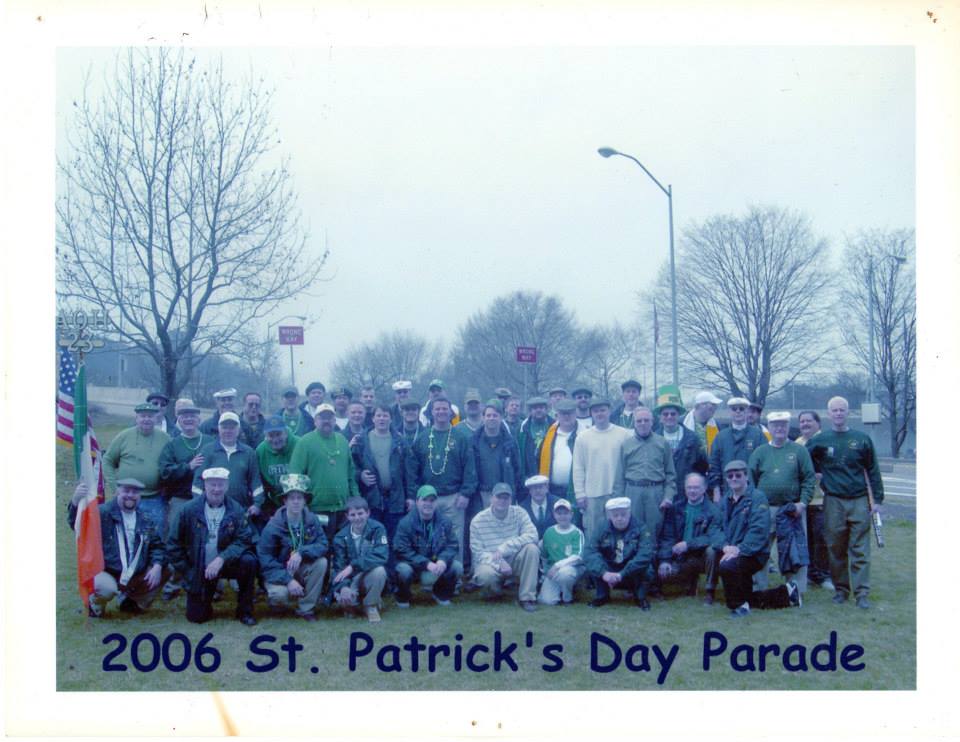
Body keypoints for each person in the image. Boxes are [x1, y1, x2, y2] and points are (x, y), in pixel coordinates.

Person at [805, 396, 884, 609]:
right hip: (833, 501)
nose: (838, 413)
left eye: (842, 410)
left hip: (859, 500)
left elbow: (873, 469)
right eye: (835, 410)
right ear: (829, 414)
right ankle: (841, 590)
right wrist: (817, 473)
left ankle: (862, 593)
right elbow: (804, 460)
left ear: (848, 412)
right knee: (835, 547)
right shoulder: (820, 440)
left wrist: (877, 499)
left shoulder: (861, 439)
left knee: (860, 549)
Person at [167, 467, 259, 626]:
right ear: (205, 485)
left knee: (249, 561)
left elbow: (244, 539)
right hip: (200, 567)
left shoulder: (236, 509)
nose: (216, 489)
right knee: (197, 617)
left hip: (227, 563)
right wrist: (188, 571)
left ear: (227, 486)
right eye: (212, 484)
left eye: (220, 484)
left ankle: (245, 610)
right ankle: (205, 599)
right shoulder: (188, 510)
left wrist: (222, 558)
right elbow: (173, 544)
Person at [67, 478, 169, 617]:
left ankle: (132, 602)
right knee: (106, 588)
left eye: (135, 492)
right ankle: (95, 606)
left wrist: (157, 565)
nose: (130, 495)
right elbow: (77, 524)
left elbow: (157, 546)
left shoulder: (145, 518)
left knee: (166, 569)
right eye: (126, 491)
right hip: (107, 571)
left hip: (133, 573)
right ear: (117, 492)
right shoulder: (102, 512)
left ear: (140, 496)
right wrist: (75, 501)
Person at [718, 460, 801, 617]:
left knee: (727, 566)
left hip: (754, 553)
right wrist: (725, 546)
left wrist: (738, 549)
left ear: (746, 477)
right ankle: (788, 593)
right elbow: (716, 527)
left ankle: (739, 606)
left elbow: (759, 531)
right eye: (730, 476)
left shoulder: (758, 498)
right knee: (746, 594)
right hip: (730, 550)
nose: (734, 478)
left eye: (738, 475)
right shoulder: (725, 500)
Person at [748, 411, 816, 592]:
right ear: (769, 427)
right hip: (765, 510)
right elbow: (751, 480)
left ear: (788, 427)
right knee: (759, 548)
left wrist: (803, 503)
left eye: (783, 424)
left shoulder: (799, 451)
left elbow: (809, 478)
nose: (779, 428)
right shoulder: (760, 452)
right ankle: (758, 589)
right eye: (775, 425)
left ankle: (795, 591)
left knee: (795, 550)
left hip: (792, 509)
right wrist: (756, 505)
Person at [405, 396, 477, 565]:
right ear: (431, 412)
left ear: (450, 412)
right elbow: (412, 471)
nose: (441, 412)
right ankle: (430, 572)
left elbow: (470, 467)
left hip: (454, 497)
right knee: (427, 536)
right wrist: (414, 496)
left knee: (455, 537)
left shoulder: (461, 437)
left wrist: (466, 493)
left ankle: (455, 572)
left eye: (444, 408)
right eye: (437, 409)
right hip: (428, 498)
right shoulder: (423, 438)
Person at [158, 403, 213, 599]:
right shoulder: (172, 445)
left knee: (208, 538)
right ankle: (174, 583)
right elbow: (164, 472)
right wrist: (187, 467)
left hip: (207, 499)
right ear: (178, 420)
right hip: (180, 498)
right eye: (184, 417)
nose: (189, 420)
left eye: (192, 416)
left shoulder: (209, 442)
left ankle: (211, 583)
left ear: (199, 419)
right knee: (176, 539)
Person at [257, 473, 329, 621]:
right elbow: (265, 560)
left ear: (305, 501)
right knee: (279, 596)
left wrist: (301, 552)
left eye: (299, 498)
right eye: (291, 498)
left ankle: (306, 608)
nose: (296, 502)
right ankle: (278, 604)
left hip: (301, 568)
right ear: (284, 501)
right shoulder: (273, 526)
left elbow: (323, 544)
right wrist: (288, 580)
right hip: (278, 571)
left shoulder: (312, 520)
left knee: (322, 563)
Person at [289, 403, 360, 542]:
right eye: (322, 417)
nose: (326, 421)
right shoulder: (305, 442)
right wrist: (299, 505)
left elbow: (350, 474)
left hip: (342, 508)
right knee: (319, 547)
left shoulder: (342, 441)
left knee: (342, 547)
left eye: (330, 417)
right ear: (315, 421)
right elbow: (295, 477)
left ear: (335, 420)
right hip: (315, 509)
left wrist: (356, 499)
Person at [468, 483, 540, 612]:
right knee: (485, 576)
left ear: (511, 499)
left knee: (532, 549)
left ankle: (527, 597)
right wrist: (499, 563)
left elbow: (533, 535)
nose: (502, 501)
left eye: (506, 498)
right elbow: (478, 553)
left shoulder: (519, 513)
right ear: (491, 498)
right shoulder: (478, 521)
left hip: (513, 558)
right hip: (489, 562)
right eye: (499, 497)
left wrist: (506, 547)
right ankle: (496, 592)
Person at [571, 398, 632, 543]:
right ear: (591, 413)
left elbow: (630, 464)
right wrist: (580, 494)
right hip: (592, 495)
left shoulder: (624, 435)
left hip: (617, 493)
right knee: (593, 534)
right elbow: (578, 467)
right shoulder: (583, 437)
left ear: (609, 411)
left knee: (619, 534)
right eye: (596, 411)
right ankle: (594, 558)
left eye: (603, 410)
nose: (600, 414)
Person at [656, 473, 723, 603]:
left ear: (704, 488)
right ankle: (688, 581)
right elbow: (668, 536)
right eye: (689, 487)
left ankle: (710, 591)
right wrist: (665, 560)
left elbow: (712, 537)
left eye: (696, 487)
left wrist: (688, 544)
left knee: (712, 551)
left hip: (701, 557)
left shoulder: (713, 511)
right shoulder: (675, 508)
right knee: (665, 574)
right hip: (680, 557)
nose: (692, 491)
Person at [393, 485, 462, 607]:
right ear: (417, 501)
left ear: (436, 502)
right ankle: (402, 597)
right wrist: (425, 563)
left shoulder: (445, 522)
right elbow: (401, 549)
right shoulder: (405, 523)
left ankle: (441, 594)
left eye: (432, 500)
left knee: (457, 567)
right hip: (413, 566)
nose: (428, 504)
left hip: (436, 564)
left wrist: (443, 560)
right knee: (403, 570)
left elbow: (452, 545)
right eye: (424, 500)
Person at [103, 402, 171, 527]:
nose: (146, 419)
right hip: (126, 496)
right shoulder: (124, 436)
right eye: (143, 416)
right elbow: (107, 460)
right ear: (136, 418)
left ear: (156, 418)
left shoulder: (165, 439)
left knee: (154, 532)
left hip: (154, 498)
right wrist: (114, 487)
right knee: (124, 530)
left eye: (150, 416)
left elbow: (172, 464)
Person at [191, 411, 265, 522]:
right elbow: (198, 482)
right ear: (219, 429)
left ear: (238, 430)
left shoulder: (249, 453)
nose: (228, 431)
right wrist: (199, 504)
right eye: (224, 427)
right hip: (212, 510)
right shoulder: (207, 450)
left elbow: (256, 482)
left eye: (232, 428)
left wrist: (257, 504)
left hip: (241, 510)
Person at [613, 407, 677, 535]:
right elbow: (619, 476)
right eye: (639, 421)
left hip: (655, 492)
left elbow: (670, 474)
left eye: (646, 420)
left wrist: (668, 496)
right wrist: (619, 501)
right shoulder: (626, 445)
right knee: (633, 530)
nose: (643, 423)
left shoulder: (662, 443)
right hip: (633, 492)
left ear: (652, 422)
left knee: (654, 531)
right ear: (634, 423)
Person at [582, 497, 654, 610]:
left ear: (629, 513)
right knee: (595, 562)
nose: (619, 518)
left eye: (623, 514)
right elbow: (589, 552)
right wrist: (604, 573)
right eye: (615, 515)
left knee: (648, 568)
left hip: (630, 569)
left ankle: (640, 597)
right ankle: (602, 596)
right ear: (609, 516)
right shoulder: (601, 528)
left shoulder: (641, 527)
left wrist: (622, 574)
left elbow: (645, 555)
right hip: (609, 568)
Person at [330, 496, 390, 623]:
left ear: (368, 513)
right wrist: (343, 587)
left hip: (368, 575)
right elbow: (339, 567)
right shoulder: (340, 537)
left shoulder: (378, 529)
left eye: (360, 513)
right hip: (351, 579)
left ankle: (371, 605)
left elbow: (381, 555)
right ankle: (351, 605)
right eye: (353, 515)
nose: (357, 518)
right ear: (347, 516)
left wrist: (353, 566)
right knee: (345, 599)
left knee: (380, 571)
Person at [359, 403, 409, 540]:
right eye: (379, 415)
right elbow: (352, 465)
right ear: (373, 418)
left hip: (395, 499)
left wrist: (410, 497)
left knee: (394, 538)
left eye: (385, 416)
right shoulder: (362, 440)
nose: (382, 419)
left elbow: (409, 472)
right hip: (372, 499)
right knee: (373, 538)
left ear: (391, 419)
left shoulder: (400, 441)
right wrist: (360, 475)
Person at [795, 410, 833, 590]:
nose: (805, 424)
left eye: (809, 421)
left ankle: (824, 575)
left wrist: (822, 474)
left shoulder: (826, 441)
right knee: (806, 540)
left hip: (821, 500)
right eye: (802, 421)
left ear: (818, 423)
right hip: (803, 501)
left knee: (821, 539)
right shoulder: (797, 444)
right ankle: (810, 574)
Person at [708, 396, 767, 502]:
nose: (738, 411)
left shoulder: (758, 435)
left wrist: (760, 492)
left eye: (741, 408)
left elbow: (765, 465)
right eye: (734, 409)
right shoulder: (720, 437)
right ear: (730, 412)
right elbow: (714, 466)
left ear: (747, 411)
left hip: (752, 493)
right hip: (726, 493)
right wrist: (716, 492)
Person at [653, 385, 708, 499]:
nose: (669, 417)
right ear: (660, 417)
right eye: (665, 414)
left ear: (678, 415)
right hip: (661, 494)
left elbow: (702, 467)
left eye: (673, 414)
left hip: (686, 494)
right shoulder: (653, 439)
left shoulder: (692, 438)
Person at [538, 499, 585, 605]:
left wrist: (557, 566)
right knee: (547, 601)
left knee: (565, 574)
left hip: (571, 569)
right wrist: (545, 572)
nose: (562, 516)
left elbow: (578, 557)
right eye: (559, 513)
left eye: (565, 513)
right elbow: (544, 555)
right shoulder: (549, 532)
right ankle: (558, 590)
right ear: (554, 515)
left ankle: (567, 597)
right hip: (552, 571)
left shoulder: (577, 533)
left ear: (571, 514)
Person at [255, 415, 300, 520]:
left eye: (279, 434)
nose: (275, 440)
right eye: (271, 435)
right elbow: (260, 482)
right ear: (265, 436)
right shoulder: (260, 451)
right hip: (274, 504)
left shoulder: (299, 445)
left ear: (286, 432)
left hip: (298, 501)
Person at [535, 398, 578, 499]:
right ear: (557, 415)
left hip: (576, 492)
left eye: (570, 413)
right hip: (552, 491)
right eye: (563, 413)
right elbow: (538, 460)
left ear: (575, 414)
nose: (566, 416)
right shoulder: (548, 435)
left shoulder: (583, 435)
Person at [517, 396, 553, 481]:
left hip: (549, 473)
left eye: (541, 407)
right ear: (530, 411)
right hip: (530, 474)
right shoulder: (522, 428)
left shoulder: (554, 426)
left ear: (546, 409)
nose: (538, 410)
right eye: (535, 408)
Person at [683, 391, 722, 457]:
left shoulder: (717, 425)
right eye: (712, 405)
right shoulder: (682, 422)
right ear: (701, 405)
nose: (715, 408)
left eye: (716, 405)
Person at [520, 474, 559, 539]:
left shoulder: (557, 503)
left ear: (547, 488)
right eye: (534, 488)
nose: (538, 491)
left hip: (555, 540)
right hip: (531, 542)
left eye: (540, 487)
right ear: (530, 491)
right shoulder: (522, 508)